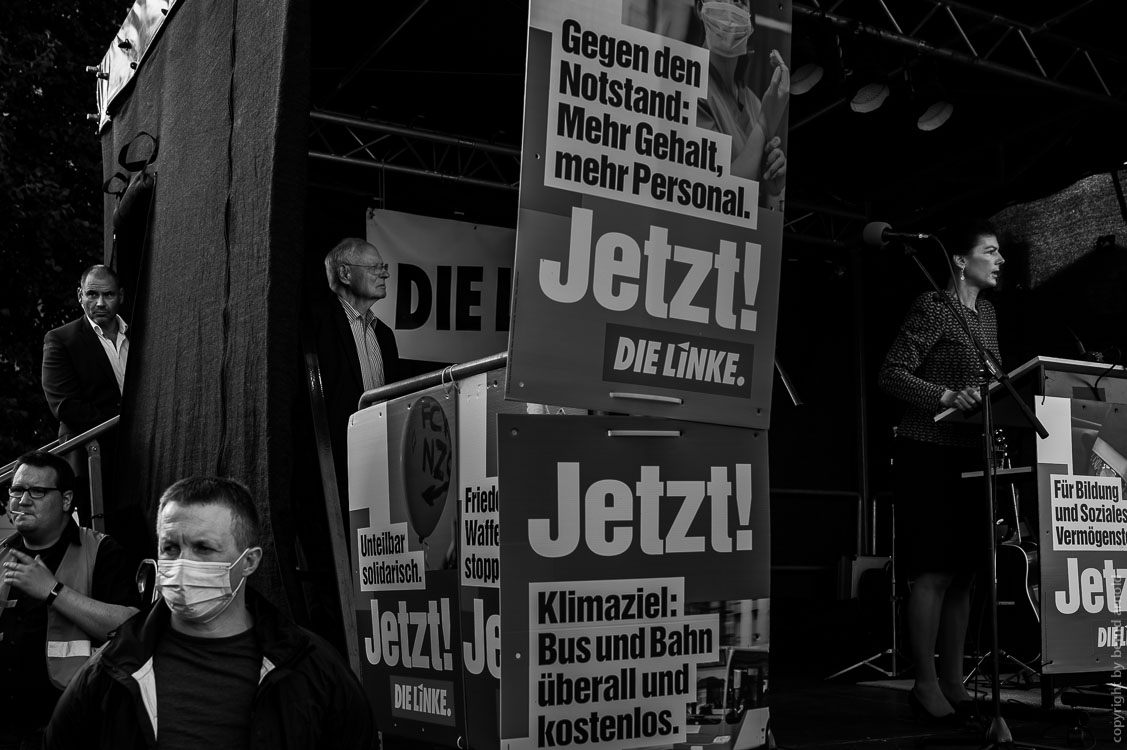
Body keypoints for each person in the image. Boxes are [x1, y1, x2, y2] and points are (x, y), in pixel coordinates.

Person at [44, 476, 376, 749]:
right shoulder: (110, 671)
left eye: (203, 548)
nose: (181, 563)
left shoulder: (313, 669)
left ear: (249, 561)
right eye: (170, 548)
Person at [878, 220, 1006, 722]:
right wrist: (945, 396)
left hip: (970, 454)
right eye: (990, 251)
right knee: (932, 571)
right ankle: (924, 683)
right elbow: (891, 373)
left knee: (964, 576)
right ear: (959, 259)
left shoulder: (989, 315)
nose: (999, 261)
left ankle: (954, 682)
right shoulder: (933, 307)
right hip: (927, 450)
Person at [0, 451, 138, 750]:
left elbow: (131, 627)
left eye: (37, 491)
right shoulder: (2, 554)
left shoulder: (101, 550)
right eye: (16, 490)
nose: (22, 500)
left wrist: (52, 591)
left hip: (72, 726)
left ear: (66, 500)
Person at [310, 237, 401, 508]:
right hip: (334, 472)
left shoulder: (384, 335)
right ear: (345, 273)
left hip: (381, 465)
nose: (384, 273)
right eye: (375, 268)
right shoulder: (315, 325)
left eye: (383, 267)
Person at [41, 264, 129, 522]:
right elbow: (65, 405)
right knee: (99, 538)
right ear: (80, 296)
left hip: (143, 458)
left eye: (108, 295)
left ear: (121, 296)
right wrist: (128, 425)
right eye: (92, 294)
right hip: (92, 458)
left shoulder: (141, 334)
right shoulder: (61, 339)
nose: (100, 303)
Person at [694, 0, 789, 209]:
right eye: (720, 0)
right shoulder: (689, 84)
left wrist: (772, 188)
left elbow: (767, 205)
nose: (729, 11)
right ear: (700, 7)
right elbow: (720, 195)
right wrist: (763, 124)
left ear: (750, 18)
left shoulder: (754, 102)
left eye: (738, 2)